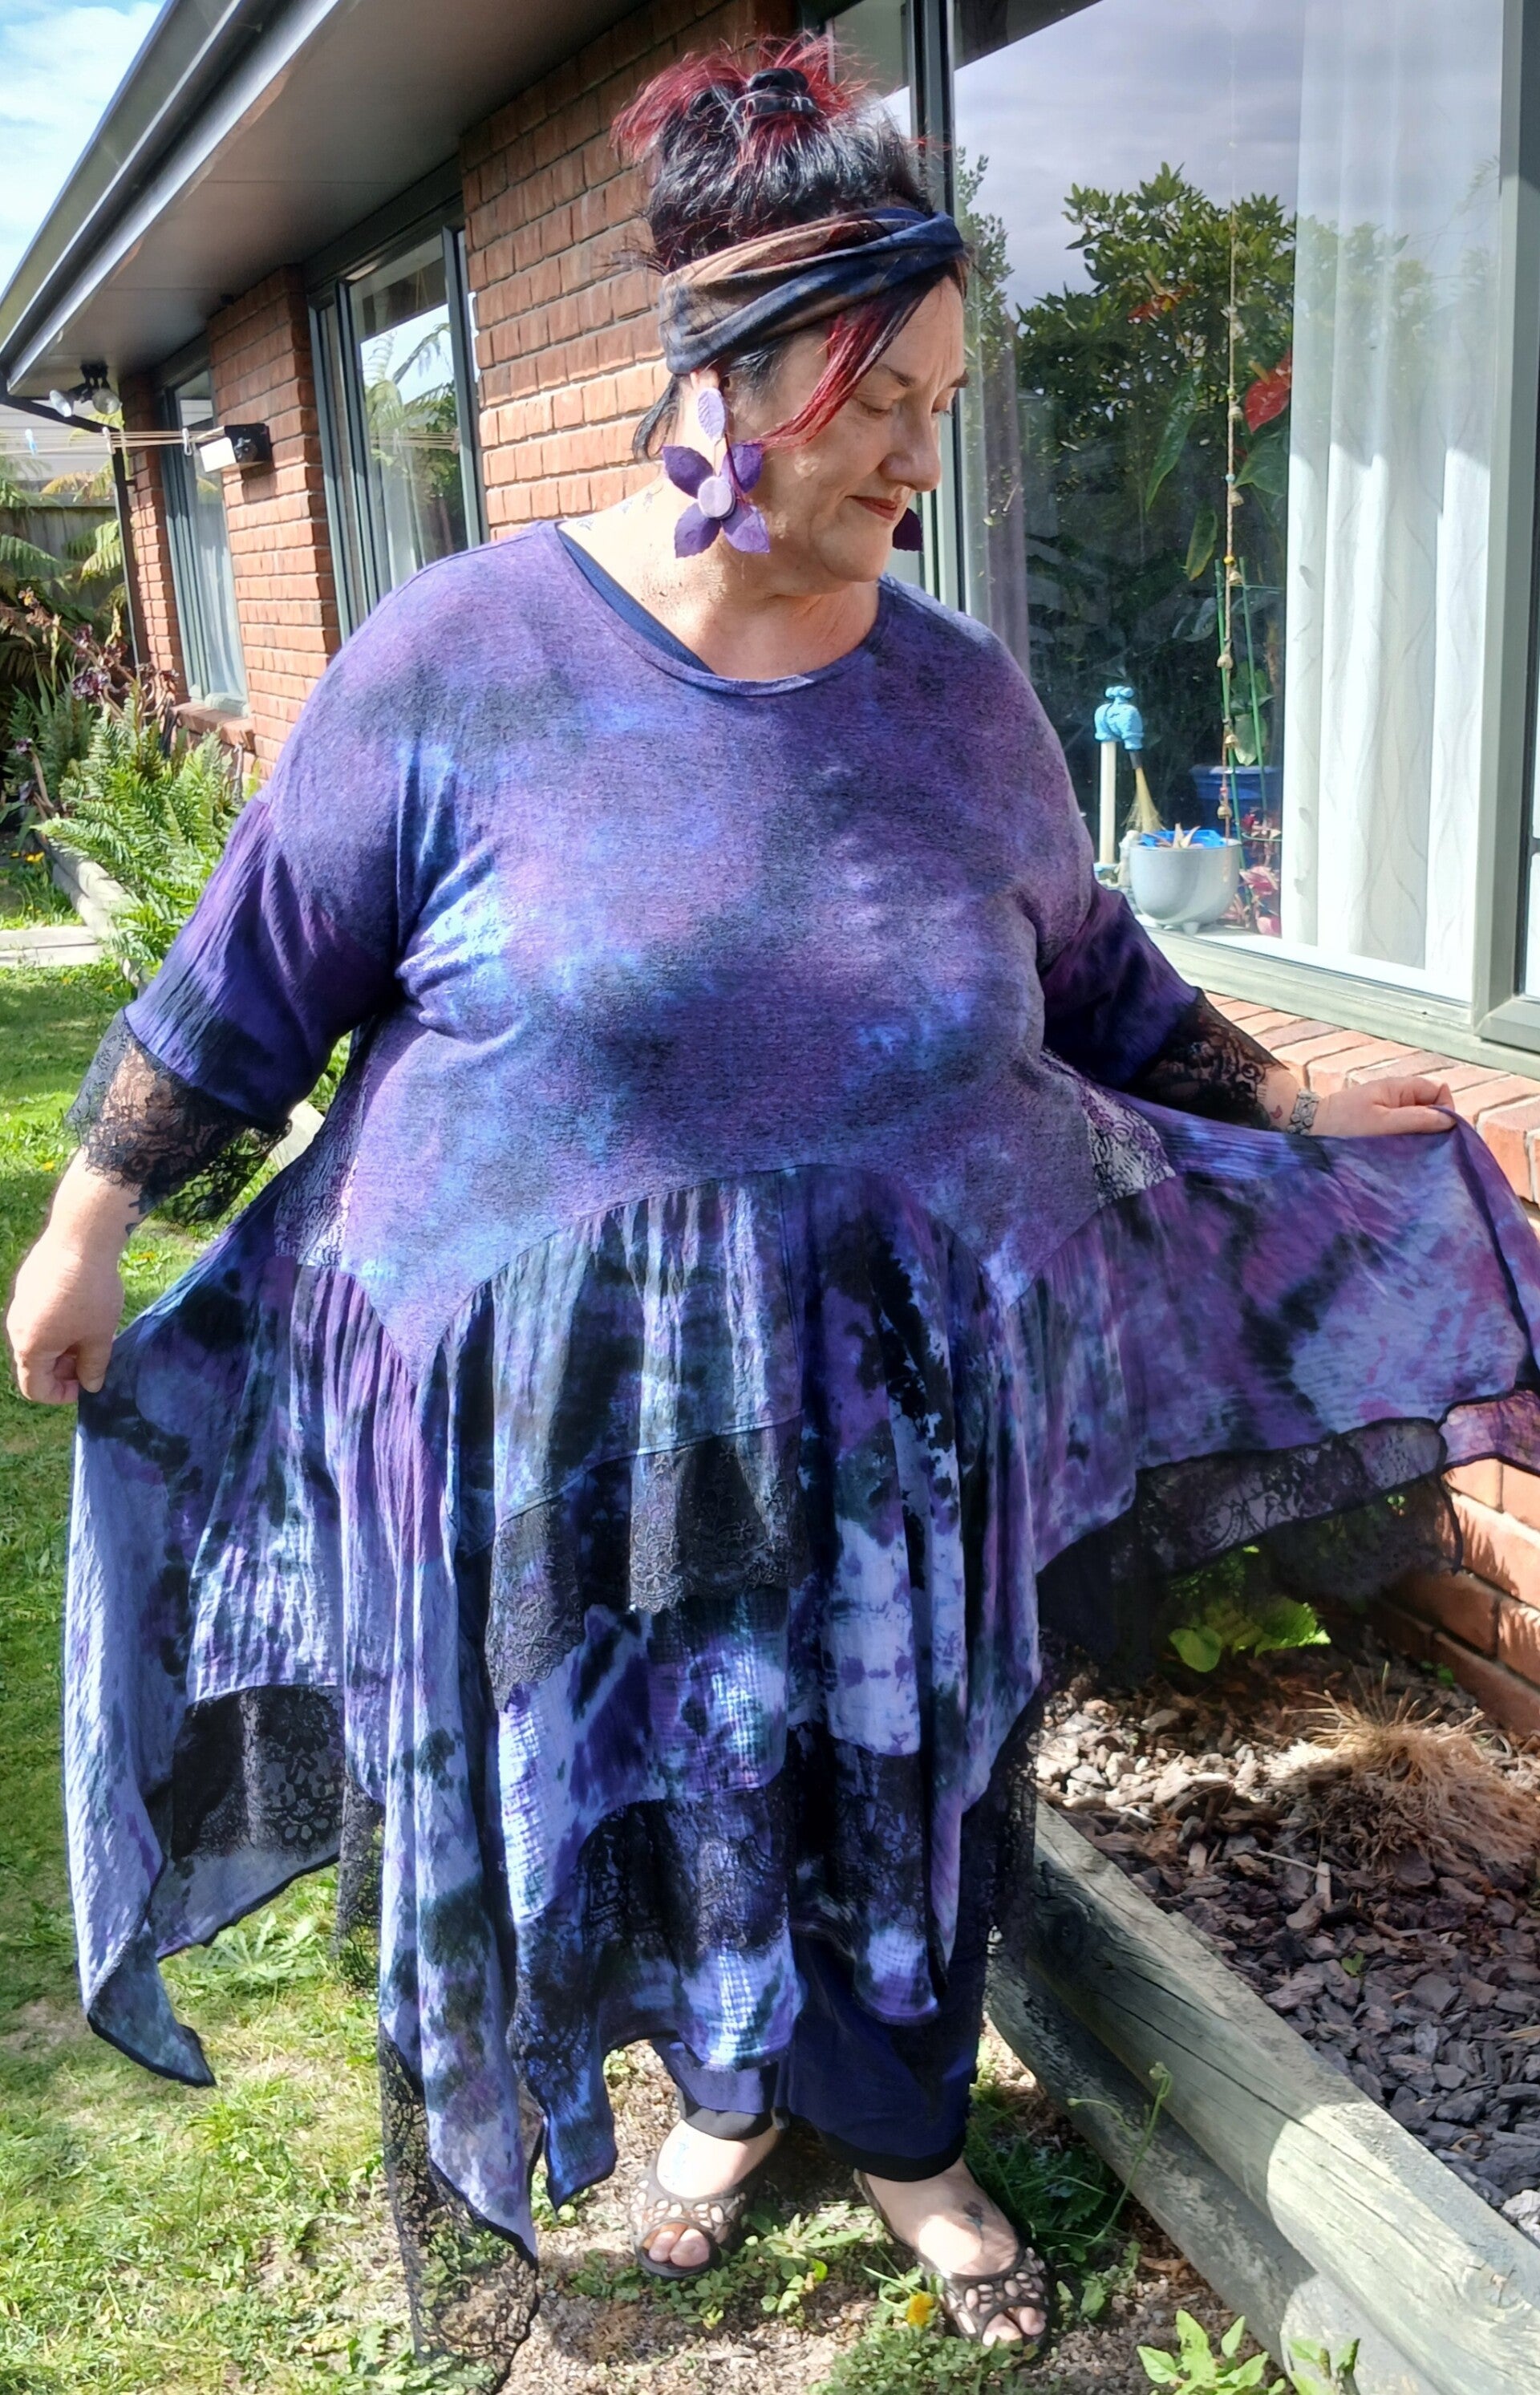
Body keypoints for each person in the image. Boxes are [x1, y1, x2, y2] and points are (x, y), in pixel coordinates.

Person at [10, 34, 1540, 2373]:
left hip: (896, 1390)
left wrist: (1304, 1103)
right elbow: (257, 964)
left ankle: (905, 2132)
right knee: (659, 1768)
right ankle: (724, 2108)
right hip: (585, 1420)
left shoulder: (961, 702)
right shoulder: (465, 659)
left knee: (904, 1764)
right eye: (881, 401)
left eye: (941, 399)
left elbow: (1097, 980)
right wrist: (93, 1212)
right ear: (727, 378)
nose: (925, 454)